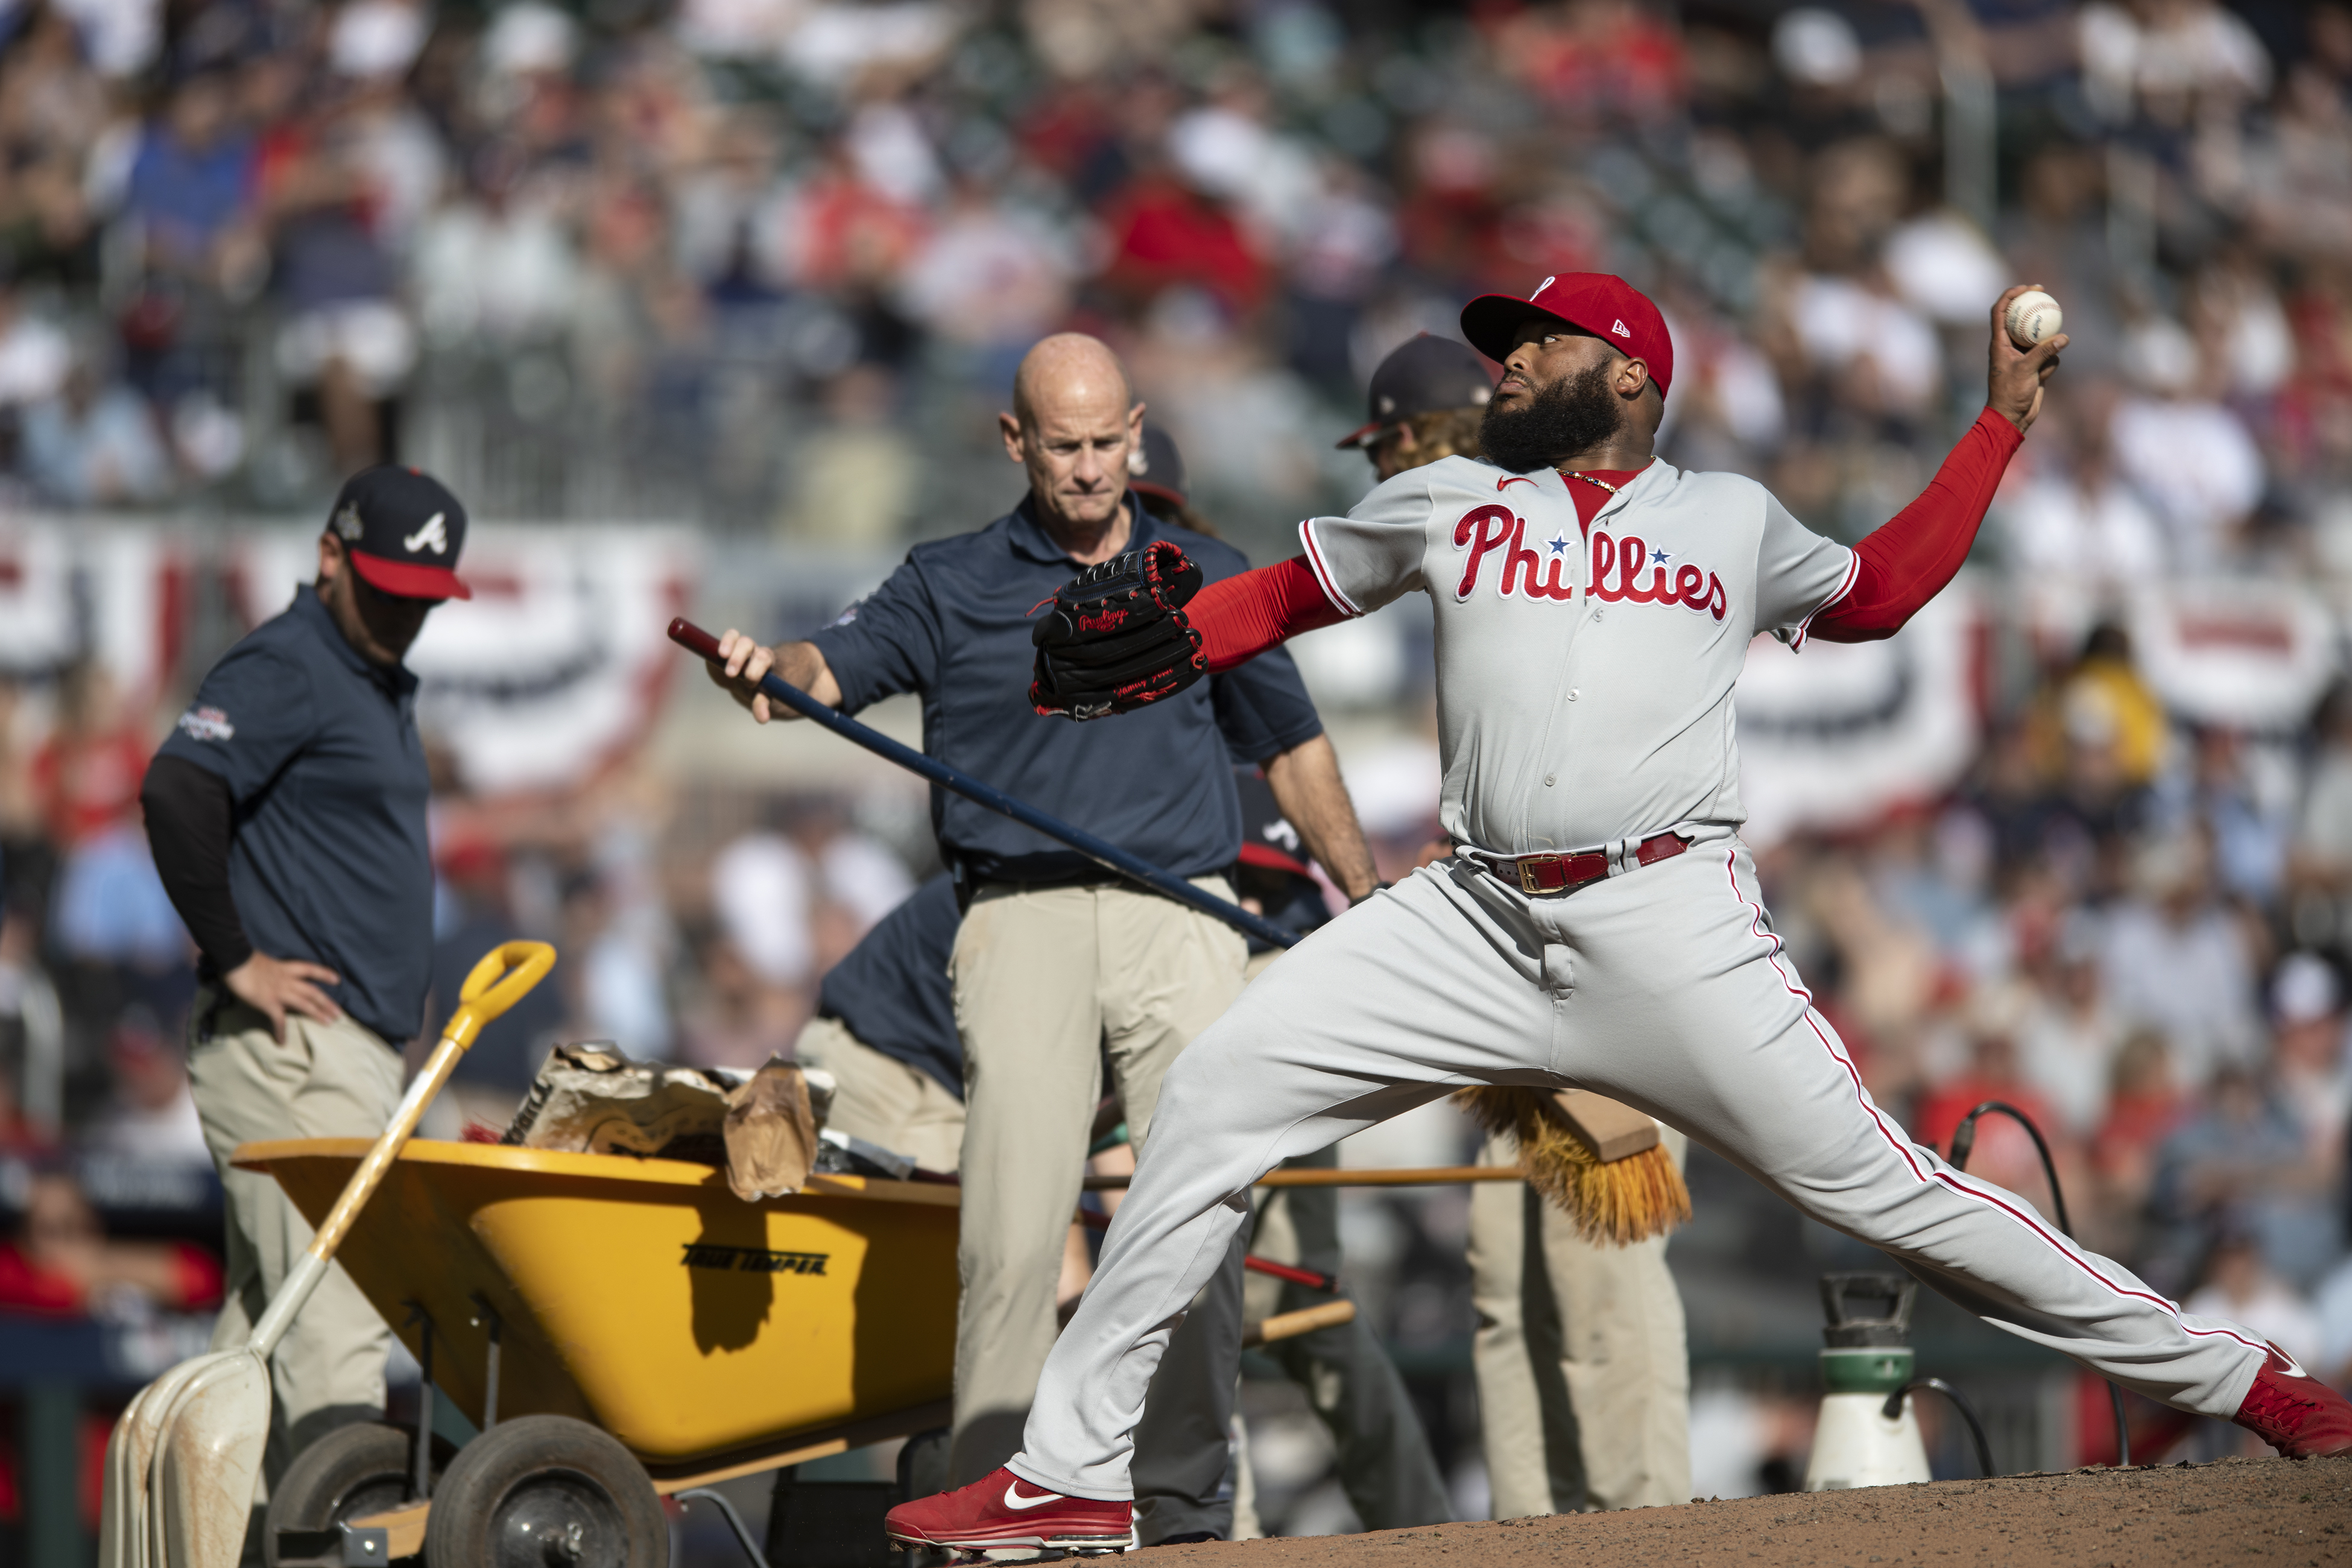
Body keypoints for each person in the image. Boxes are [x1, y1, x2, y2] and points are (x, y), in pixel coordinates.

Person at [885, 276, 2352, 1555]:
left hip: (1669, 917)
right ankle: (1066, 1471)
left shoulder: (1731, 517)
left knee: (1896, 1197)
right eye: (1504, 348)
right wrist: (1159, 648)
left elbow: (1889, 590)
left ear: (1631, 375)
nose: (1507, 366)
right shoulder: (1453, 498)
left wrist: (1998, 423)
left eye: (1539, 345)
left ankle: (2249, 1382)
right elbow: (1275, 597)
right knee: (1211, 1095)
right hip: (1469, 914)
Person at [708, 333, 1378, 1543]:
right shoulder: (948, 579)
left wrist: (1368, 898)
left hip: (1181, 917)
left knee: (1194, 1224)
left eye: (1104, 441)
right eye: (1059, 446)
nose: (1086, 469)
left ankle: (1181, 1506)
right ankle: (996, 1494)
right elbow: (829, 664)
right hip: (1014, 920)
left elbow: (1293, 745)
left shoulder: (1207, 571)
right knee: (1012, 1234)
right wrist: (775, 667)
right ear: (1015, 442)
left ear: (1136, 429)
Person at [1342, 331, 1692, 1516]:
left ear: (1422, 433)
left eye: (1391, 441)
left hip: (1613, 928)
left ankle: (1649, 1531)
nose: (1382, 466)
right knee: (1508, 1279)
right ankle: (1533, 1535)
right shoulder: (1472, 536)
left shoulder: (1559, 511)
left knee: (1600, 1261)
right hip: (1505, 935)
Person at [139, 466, 470, 1500]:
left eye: (422, 596)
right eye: (382, 589)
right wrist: (237, 956)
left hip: (343, 1052)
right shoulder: (295, 660)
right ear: (330, 556)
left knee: (254, 1359)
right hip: (294, 1050)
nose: (402, 614)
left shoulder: (365, 673)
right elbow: (178, 784)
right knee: (334, 1349)